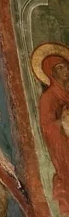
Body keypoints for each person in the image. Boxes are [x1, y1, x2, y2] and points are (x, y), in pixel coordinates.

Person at [35, 50, 69, 211]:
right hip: (63, 146)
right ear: (52, 73)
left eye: (66, 66)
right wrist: (62, 122)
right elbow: (47, 126)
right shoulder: (48, 97)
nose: (66, 70)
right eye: (60, 68)